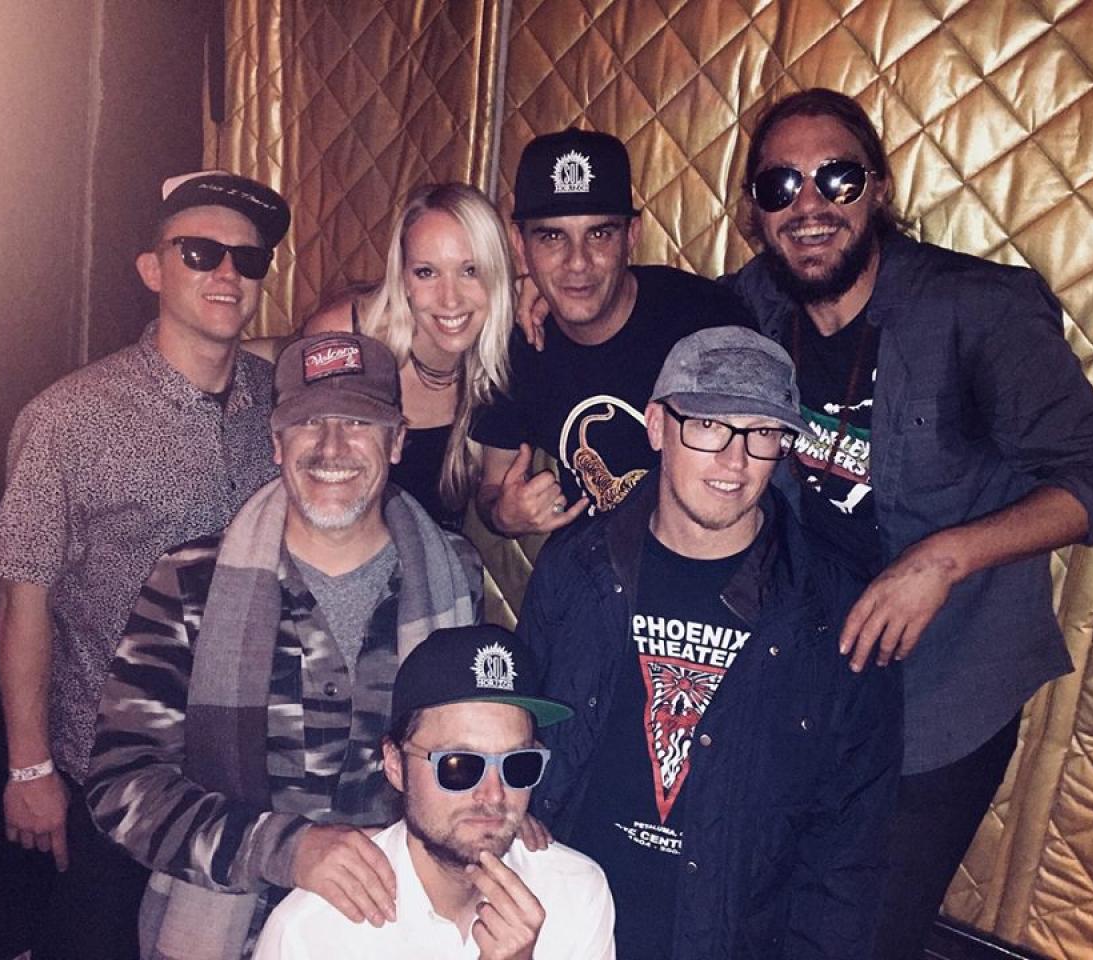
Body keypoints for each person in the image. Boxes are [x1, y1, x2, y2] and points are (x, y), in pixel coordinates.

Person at [724, 88, 1093, 959]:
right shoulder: (751, 306)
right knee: (758, 907)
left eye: (837, 177)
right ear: (756, 210)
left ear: (878, 187)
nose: (809, 204)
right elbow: (634, 317)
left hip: (942, 693)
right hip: (806, 675)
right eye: (780, 185)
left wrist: (945, 558)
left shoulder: (977, 309)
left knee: (868, 937)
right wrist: (547, 301)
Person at [84, 331, 483, 959]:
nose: (331, 447)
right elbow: (120, 785)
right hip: (226, 938)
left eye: (358, 421)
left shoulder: (455, 575)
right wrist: (285, 850)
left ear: (397, 441)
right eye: (308, 422)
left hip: (401, 935)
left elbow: (474, 755)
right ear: (276, 442)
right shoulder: (187, 583)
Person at [0, 169, 291, 959]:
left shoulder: (281, 404)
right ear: (152, 269)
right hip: (110, 771)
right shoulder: (69, 419)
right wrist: (29, 768)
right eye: (200, 253)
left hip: (245, 770)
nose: (227, 273)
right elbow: (22, 599)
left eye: (249, 259)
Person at [518, 326, 902, 959]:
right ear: (656, 426)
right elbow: (515, 729)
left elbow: (850, 847)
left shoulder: (833, 613)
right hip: (567, 924)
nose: (734, 460)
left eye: (761, 433)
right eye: (707, 425)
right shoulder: (576, 568)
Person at [254, 625, 616, 960]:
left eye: (518, 764)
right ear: (395, 765)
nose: (493, 795)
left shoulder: (575, 892)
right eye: (459, 766)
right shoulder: (311, 934)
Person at [470, 128, 757, 538]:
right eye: (552, 237)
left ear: (631, 236)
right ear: (520, 244)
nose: (577, 262)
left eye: (599, 234)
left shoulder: (707, 323)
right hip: (589, 562)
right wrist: (505, 514)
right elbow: (492, 488)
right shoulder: (515, 343)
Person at [248, 183, 514, 533]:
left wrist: (511, 514)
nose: (450, 299)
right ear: (402, 277)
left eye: (470, 270)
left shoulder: (509, 353)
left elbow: (494, 499)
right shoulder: (350, 337)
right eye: (426, 272)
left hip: (437, 556)